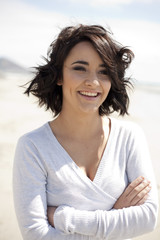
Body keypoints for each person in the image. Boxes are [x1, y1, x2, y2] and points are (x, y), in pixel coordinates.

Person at [13, 24, 158, 240]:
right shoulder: (32, 147)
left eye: (104, 71)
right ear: (59, 75)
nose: (93, 82)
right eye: (80, 68)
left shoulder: (129, 137)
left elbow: (148, 217)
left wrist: (63, 218)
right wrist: (117, 217)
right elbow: (36, 235)